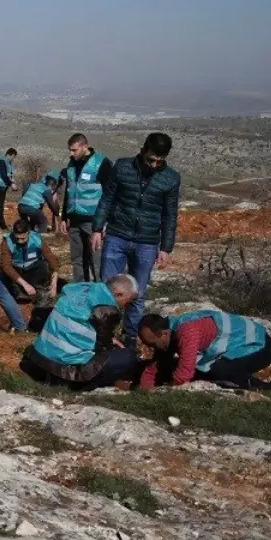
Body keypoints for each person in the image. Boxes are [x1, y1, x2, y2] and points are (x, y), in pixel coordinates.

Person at [93, 133, 180, 345]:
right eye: (151, 159)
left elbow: (170, 215)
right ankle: (103, 336)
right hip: (117, 235)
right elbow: (107, 199)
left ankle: (130, 337)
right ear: (143, 151)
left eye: (160, 161)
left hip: (148, 242)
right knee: (108, 289)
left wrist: (166, 248)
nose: (154, 165)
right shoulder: (123, 167)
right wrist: (97, 228)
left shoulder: (171, 178)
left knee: (138, 294)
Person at [19, 274, 140, 390]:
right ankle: (77, 386)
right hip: (64, 367)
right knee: (128, 357)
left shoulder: (83, 288)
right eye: (128, 302)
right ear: (118, 294)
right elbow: (104, 347)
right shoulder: (107, 308)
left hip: (41, 356)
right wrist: (113, 344)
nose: (126, 306)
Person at [138, 311, 271, 390]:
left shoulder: (186, 331)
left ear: (164, 334)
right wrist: (144, 391)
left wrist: (168, 391)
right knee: (203, 370)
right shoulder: (168, 330)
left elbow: (184, 373)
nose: (152, 348)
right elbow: (155, 367)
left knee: (219, 370)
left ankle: (263, 388)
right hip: (242, 344)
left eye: (153, 344)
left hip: (260, 346)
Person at [58, 134, 114, 282]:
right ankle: (80, 291)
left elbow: (110, 194)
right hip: (74, 220)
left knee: (96, 260)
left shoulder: (101, 163)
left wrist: (105, 222)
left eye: (74, 150)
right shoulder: (71, 165)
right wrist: (64, 217)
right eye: (70, 150)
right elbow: (69, 192)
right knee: (77, 259)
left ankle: (99, 292)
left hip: (93, 221)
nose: (71, 153)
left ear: (85, 146)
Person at [0, 218, 60, 303]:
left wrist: (54, 284)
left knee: (44, 265)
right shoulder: (7, 241)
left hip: (32, 271)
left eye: (23, 238)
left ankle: (39, 289)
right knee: (1, 270)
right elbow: (6, 265)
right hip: (17, 273)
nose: (20, 241)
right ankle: (16, 292)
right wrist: (24, 284)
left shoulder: (37, 239)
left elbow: (51, 258)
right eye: (17, 238)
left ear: (29, 233)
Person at [0, 148, 18, 229]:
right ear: (10, 155)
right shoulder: (1, 162)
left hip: (1, 187)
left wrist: (11, 180)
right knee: (0, 205)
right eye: (13, 157)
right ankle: (2, 225)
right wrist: (11, 184)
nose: (13, 159)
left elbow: (7, 174)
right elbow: (3, 175)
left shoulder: (7, 162)